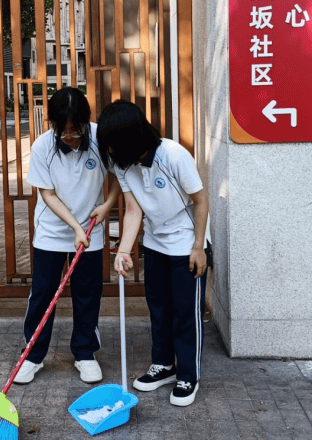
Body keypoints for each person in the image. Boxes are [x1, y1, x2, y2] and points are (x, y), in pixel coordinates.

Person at [96, 99, 209, 407]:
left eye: (115, 145)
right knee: (158, 310)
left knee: (186, 314)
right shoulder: (123, 164)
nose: (112, 153)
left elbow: (201, 201)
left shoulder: (173, 155)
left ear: (133, 138)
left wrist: (199, 247)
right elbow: (133, 209)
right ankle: (164, 366)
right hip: (155, 243)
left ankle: (188, 375)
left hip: (186, 243)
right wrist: (123, 250)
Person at [14, 87, 121, 385]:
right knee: (43, 294)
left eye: (77, 129)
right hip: (52, 232)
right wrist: (74, 227)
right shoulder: (42, 147)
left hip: (90, 232)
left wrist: (108, 204)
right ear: (53, 125)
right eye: (65, 131)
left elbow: (117, 177)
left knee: (88, 295)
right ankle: (32, 356)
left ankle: (85, 353)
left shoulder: (101, 139)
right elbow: (47, 194)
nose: (71, 136)